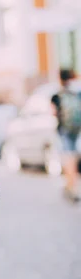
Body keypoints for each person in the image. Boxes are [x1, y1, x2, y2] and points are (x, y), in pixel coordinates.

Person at [51, 69, 81, 202]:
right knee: (73, 157)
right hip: (76, 129)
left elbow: (53, 113)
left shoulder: (57, 95)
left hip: (64, 130)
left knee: (68, 159)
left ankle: (72, 187)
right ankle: (71, 186)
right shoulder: (77, 93)